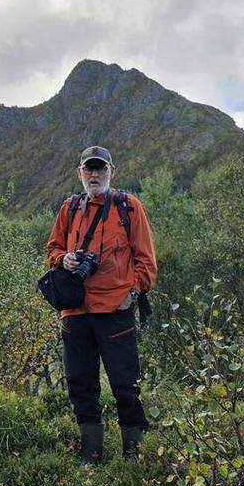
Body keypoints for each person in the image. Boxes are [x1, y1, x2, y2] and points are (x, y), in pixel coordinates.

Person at [46, 146, 158, 463]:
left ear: (112, 171)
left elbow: (146, 261)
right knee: (81, 385)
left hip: (115, 311)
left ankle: (133, 456)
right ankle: (90, 454)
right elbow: (53, 248)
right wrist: (63, 259)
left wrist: (131, 294)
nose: (94, 174)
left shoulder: (128, 207)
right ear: (79, 172)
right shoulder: (69, 208)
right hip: (76, 312)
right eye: (89, 169)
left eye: (100, 168)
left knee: (126, 386)